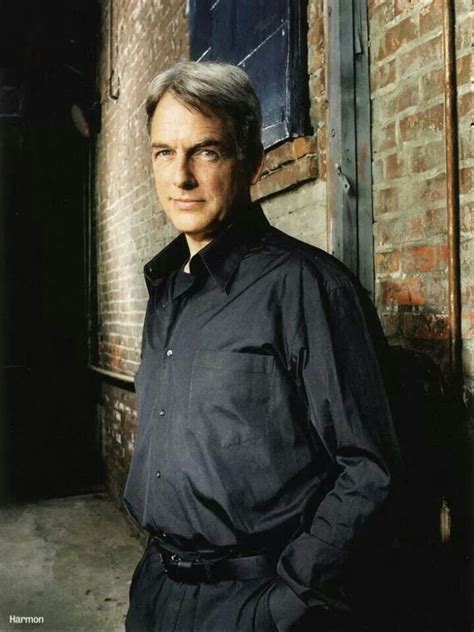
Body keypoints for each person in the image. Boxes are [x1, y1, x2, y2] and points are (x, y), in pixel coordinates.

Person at [123, 61, 400, 632]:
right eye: (163, 153)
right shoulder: (166, 291)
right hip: (156, 593)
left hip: (253, 604)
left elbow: (368, 469)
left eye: (206, 151)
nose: (181, 178)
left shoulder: (308, 288)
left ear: (250, 160)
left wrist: (287, 602)